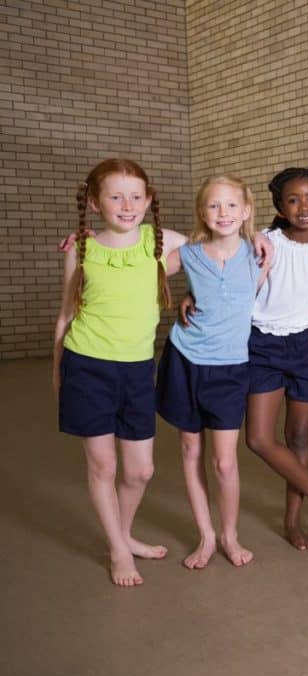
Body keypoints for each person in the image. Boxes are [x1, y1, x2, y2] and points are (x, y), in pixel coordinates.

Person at [181, 168, 308, 549]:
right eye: (293, 200)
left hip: (307, 346)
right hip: (262, 344)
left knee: (298, 437)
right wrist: (193, 296)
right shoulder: (262, 241)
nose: (304, 207)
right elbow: (220, 266)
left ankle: (292, 519)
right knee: (257, 438)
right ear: (278, 207)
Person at [54, 158, 188, 586]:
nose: (126, 205)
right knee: (103, 466)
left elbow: (220, 240)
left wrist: (264, 242)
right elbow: (65, 314)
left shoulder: (161, 242)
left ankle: (124, 534)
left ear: (149, 201)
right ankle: (117, 548)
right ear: (95, 203)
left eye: (135, 196)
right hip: (86, 364)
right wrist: (58, 373)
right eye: (115, 196)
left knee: (140, 469)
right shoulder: (82, 247)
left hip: (136, 368)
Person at [157, 175, 267, 569]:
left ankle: (229, 535)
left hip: (230, 368)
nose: (223, 213)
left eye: (231, 205)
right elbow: (138, 261)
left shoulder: (260, 254)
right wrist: (83, 247)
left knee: (224, 462)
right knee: (191, 450)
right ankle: (205, 536)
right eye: (214, 206)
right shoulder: (189, 253)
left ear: (246, 211)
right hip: (185, 360)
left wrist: (263, 236)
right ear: (202, 213)